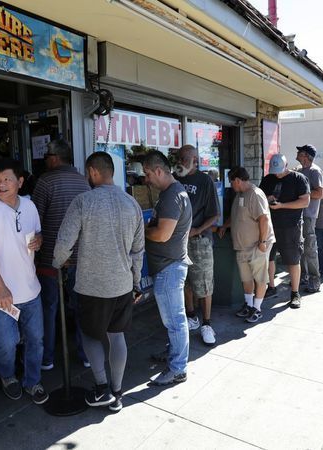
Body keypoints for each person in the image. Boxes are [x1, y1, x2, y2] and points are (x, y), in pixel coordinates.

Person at [53, 151, 145, 412]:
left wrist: (56, 263)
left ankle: (102, 389)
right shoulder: (132, 204)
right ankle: (117, 394)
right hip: (123, 284)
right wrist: (136, 281)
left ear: (93, 172)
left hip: (93, 285)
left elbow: (63, 243)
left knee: (90, 335)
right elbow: (138, 250)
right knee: (117, 337)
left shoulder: (83, 202)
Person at [0, 159, 49, 404]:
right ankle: (8, 377)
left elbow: (37, 234)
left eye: (6, 178)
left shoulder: (30, 206)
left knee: (36, 339)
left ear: (20, 181)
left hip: (29, 287)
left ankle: (32, 381)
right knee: (7, 343)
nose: (0, 184)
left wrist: (39, 240)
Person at [32, 140, 91, 370]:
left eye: (47, 156)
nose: (45, 160)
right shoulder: (84, 183)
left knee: (49, 308)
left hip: (50, 258)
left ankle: (47, 358)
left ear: (55, 158)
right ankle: (85, 355)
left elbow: (33, 220)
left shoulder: (45, 181)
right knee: (80, 307)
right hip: (79, 258)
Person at [143, 150, 193, 386]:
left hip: (169, 267)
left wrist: (141, 231)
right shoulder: (171, 193)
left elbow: (163, 235)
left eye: (147, 173)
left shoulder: (173, 195)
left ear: (159, 171)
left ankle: (178, 368)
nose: (145, 179)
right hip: (168, 266)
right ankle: (175, 355)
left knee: (175, 321)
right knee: (173, 320)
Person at [173, 145, 221, 346]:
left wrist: (198, 229)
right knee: (185, 282)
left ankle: (207, 324)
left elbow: (215, 214)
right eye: (179, 158)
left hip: (199, 240)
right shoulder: (175, 180)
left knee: (203, 282)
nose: (180, 162)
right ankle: (191, 317)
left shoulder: (204, 181)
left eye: (184, 158)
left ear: (194, 159)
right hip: (178, 241)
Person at [218, 167, 275, 323]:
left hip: (257, 245)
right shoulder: (240, 195)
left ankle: (257, 309)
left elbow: (263, 219)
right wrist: (225, 226)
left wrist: (263, 242)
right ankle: (249, 305)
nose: (231, 185)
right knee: (246, 278)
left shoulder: (255, 194)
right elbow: (236, 216)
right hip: (242, 246)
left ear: (237, 180)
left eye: (231, 182)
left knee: (260, 278)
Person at [259, 153, 310, 308]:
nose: (277, 174)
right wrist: (267, 200)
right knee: (269, 258)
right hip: (270, 225)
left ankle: (295, 293)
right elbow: (260, 198)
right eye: (275, 171)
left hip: (291, 225)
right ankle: (272, 287)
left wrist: (282, 205)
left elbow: (305, 201)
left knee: (293, 260)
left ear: (286, 165)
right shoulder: (268, 178)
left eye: (280, 170)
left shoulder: (298, 178)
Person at [296, 144, 323, 293]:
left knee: (310, 249)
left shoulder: (314, 171)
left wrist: (302, 194)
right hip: (298, 215)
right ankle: (303, 277)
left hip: (308, 215)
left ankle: (314, 280)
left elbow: (319, 193)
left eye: (300, 152)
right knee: (300, 248)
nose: (297, 153)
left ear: (306, 156)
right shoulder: (300, 170)